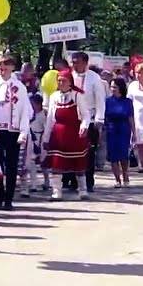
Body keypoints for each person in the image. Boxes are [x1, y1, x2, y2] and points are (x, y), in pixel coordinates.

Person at [0, 56, 30, 211]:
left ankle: (9, 198)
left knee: (11, 165)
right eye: (0, 64)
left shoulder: (20, 87)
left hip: (13, 130)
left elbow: (25, 111)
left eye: (6, 64)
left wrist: (23, 131)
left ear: (13, 67)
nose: (2, 67)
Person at [42, 70, 89, 201]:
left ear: (70, 82)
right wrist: (46, 138)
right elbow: (50, 118)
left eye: (64, 80)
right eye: (59, 80)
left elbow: (86, 115)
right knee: (57, 164)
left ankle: (83, 190)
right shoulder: (54, 96)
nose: (61, 83)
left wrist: (84, 127)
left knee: (79, 163)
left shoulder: (77, 96)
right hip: (58, 135)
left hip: (74, 134)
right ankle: (56, 192)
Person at [67, 51, 106, 195]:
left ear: (85, 62)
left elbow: (100, 100)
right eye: (73, 62)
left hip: (89, 118)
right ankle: (72, 180)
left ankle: (88, 181)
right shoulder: (69, 76)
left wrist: (99, 120)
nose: (75, 65)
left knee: (88, 152)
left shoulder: (94, 78)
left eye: (77, 62)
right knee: (71, 151)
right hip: (72, 118)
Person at [104, 77, 134, 188]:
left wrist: (134, 132)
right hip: (111, 130)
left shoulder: (127, 102)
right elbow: (104, 116)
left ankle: (125, 175)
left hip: (124, 129)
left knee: (123, 155)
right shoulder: (107, 101)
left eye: (115, 87)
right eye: (111, 87)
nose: (112, 89)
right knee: (113, 156)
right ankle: (117, 179)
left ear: (120, 88)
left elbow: (130, 117)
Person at [21, 93, 49, 197]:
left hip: (40, 139)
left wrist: (44, 140)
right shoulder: (30, 115)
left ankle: (46, 181)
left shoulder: (43, 115)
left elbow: (46, 128)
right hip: (30, 139)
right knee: (30, 162)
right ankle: (33, 184)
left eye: (34, 104)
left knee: (43, 163)